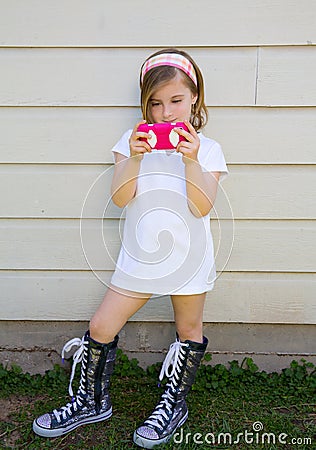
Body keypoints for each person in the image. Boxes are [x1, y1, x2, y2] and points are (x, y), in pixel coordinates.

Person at [33, 48, 228, 448]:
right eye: (155, 104)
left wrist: (190, 161)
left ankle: (173, 404)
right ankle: (90, 400)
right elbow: (120, 198)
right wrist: (134, 159)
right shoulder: (131, 142)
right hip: (140, 255)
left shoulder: (207, 150)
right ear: (145, 105)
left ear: (195, 98)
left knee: (188, 330)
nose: (166, 113)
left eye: (176, 101)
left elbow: (201, 206)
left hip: (189, 259)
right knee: (101, 326)